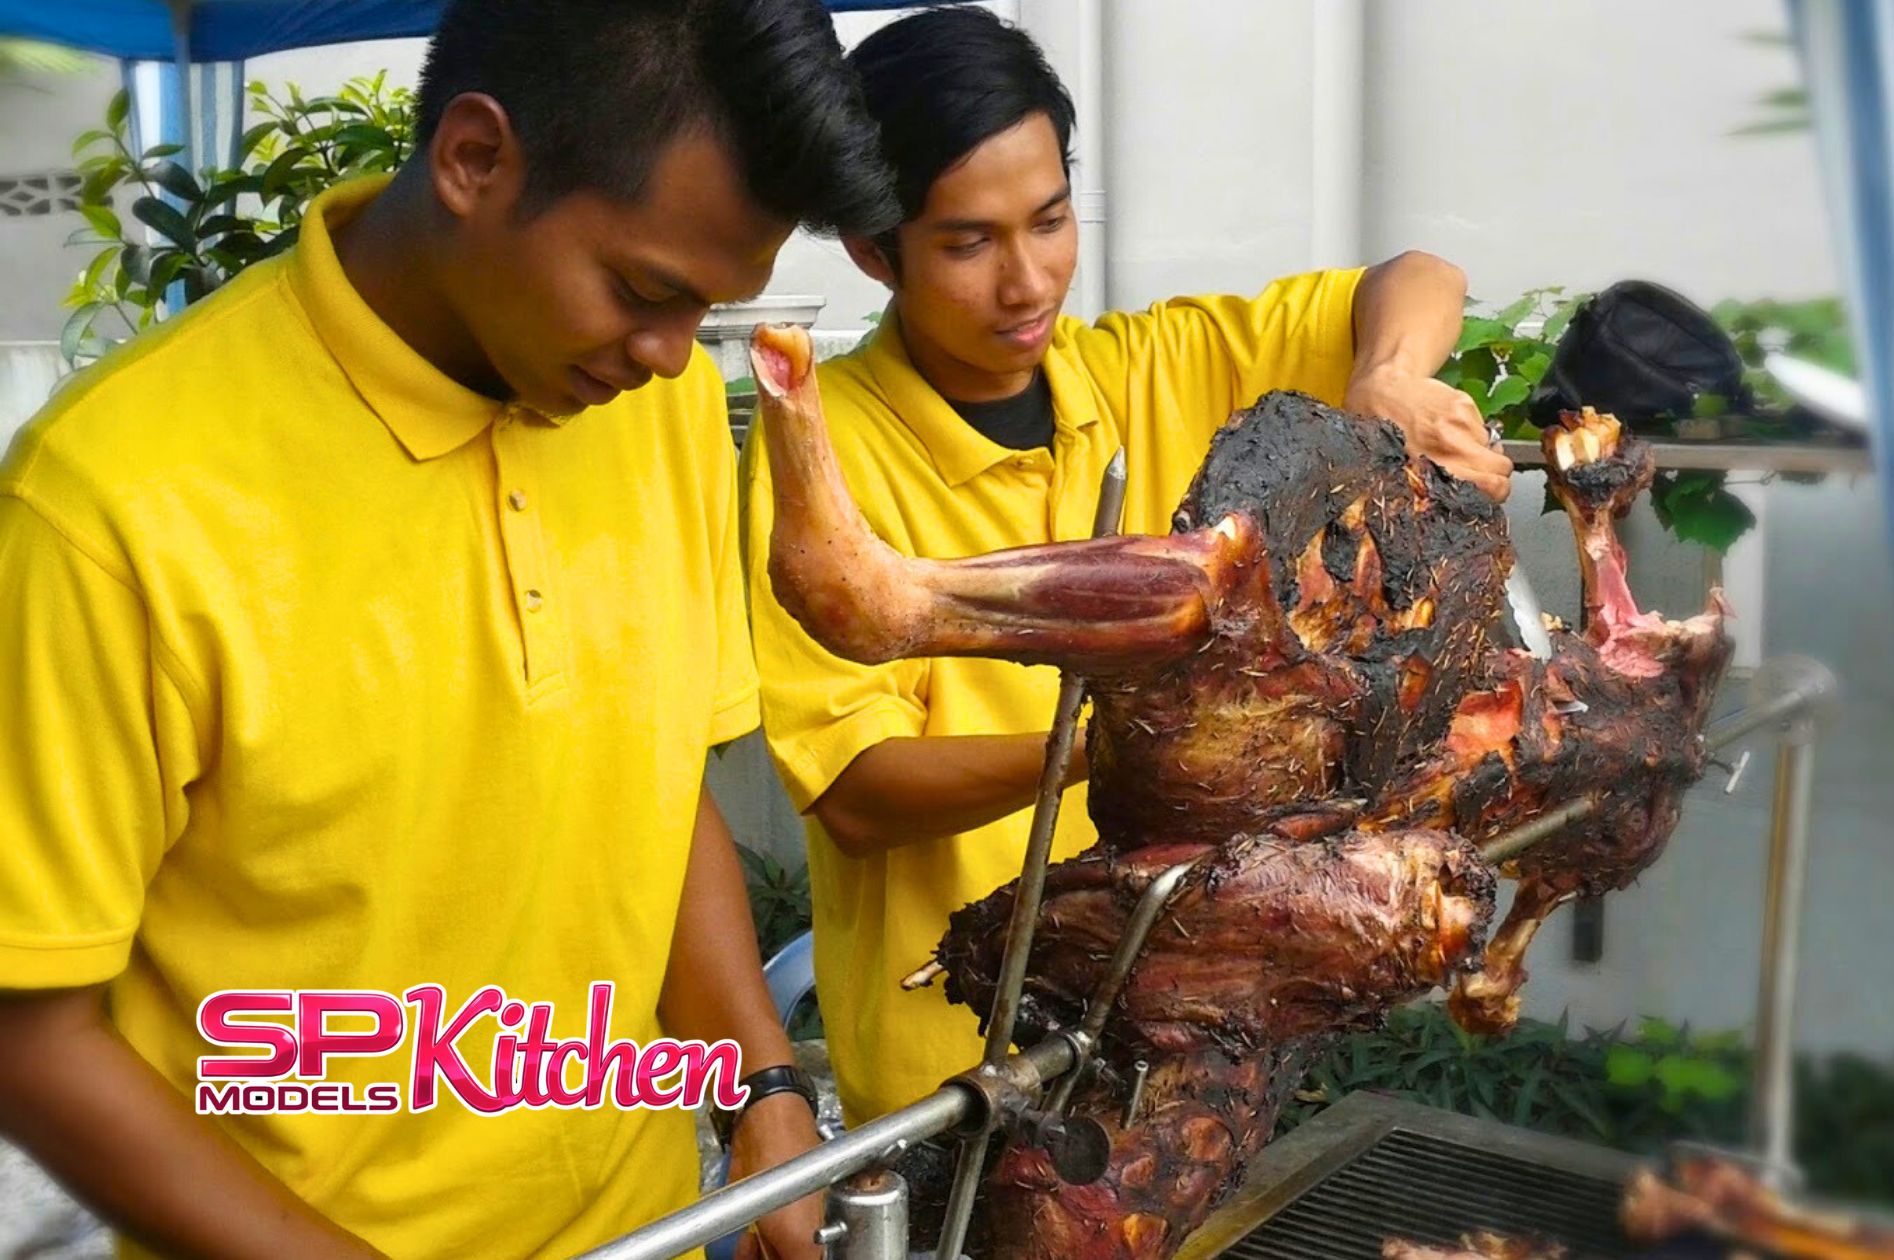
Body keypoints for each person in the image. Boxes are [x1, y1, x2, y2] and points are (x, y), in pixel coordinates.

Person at [0, 2, 896, 1256]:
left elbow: (654, 787)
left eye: (707, 310)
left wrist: (761, 1086)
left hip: (642, 1227)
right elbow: (32, 1035)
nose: (670, 354)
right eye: (645, 291)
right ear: (476, 158)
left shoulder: (665, 411)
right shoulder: (111, 503)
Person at [739, 5, 1513, 1127]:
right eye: (968, 243)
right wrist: (1144, 747)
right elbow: (856, 789)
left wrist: (1387, 376)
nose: (1027, 281)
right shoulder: (827, 453)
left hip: (1182, 1015)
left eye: (1050, 221)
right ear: (872, 249)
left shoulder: (1145, 367)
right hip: (955, 1053)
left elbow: (1416, 275)